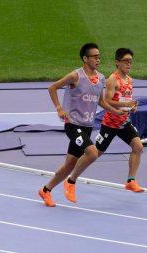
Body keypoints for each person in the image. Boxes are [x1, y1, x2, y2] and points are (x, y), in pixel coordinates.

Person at [38, 43, 124, 207]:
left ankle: (45, 190)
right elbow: (52, 88)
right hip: (72, 124)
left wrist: (115, 111)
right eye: (95, 56)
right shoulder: (75, 76)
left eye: (99, 56)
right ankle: (71, 182)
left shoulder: (100, 79)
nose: (98, 59)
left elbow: (100, 102)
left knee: (69, 164)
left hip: (86, 126)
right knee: (92, 153)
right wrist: (59, 108)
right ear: (85, 58)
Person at [95, 48, 144, 192]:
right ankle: (71, 174)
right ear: (117, 62)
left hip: (124, 122)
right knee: (94, 154)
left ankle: (131, 181)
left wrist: (132, 107)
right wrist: (125, 104)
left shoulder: (129, 80)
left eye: (131, 61)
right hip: (110, 124)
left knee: (138, 147)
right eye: (126, 61)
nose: (129, 64)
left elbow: (126, 100)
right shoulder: (112, 79)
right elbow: (107, 101)